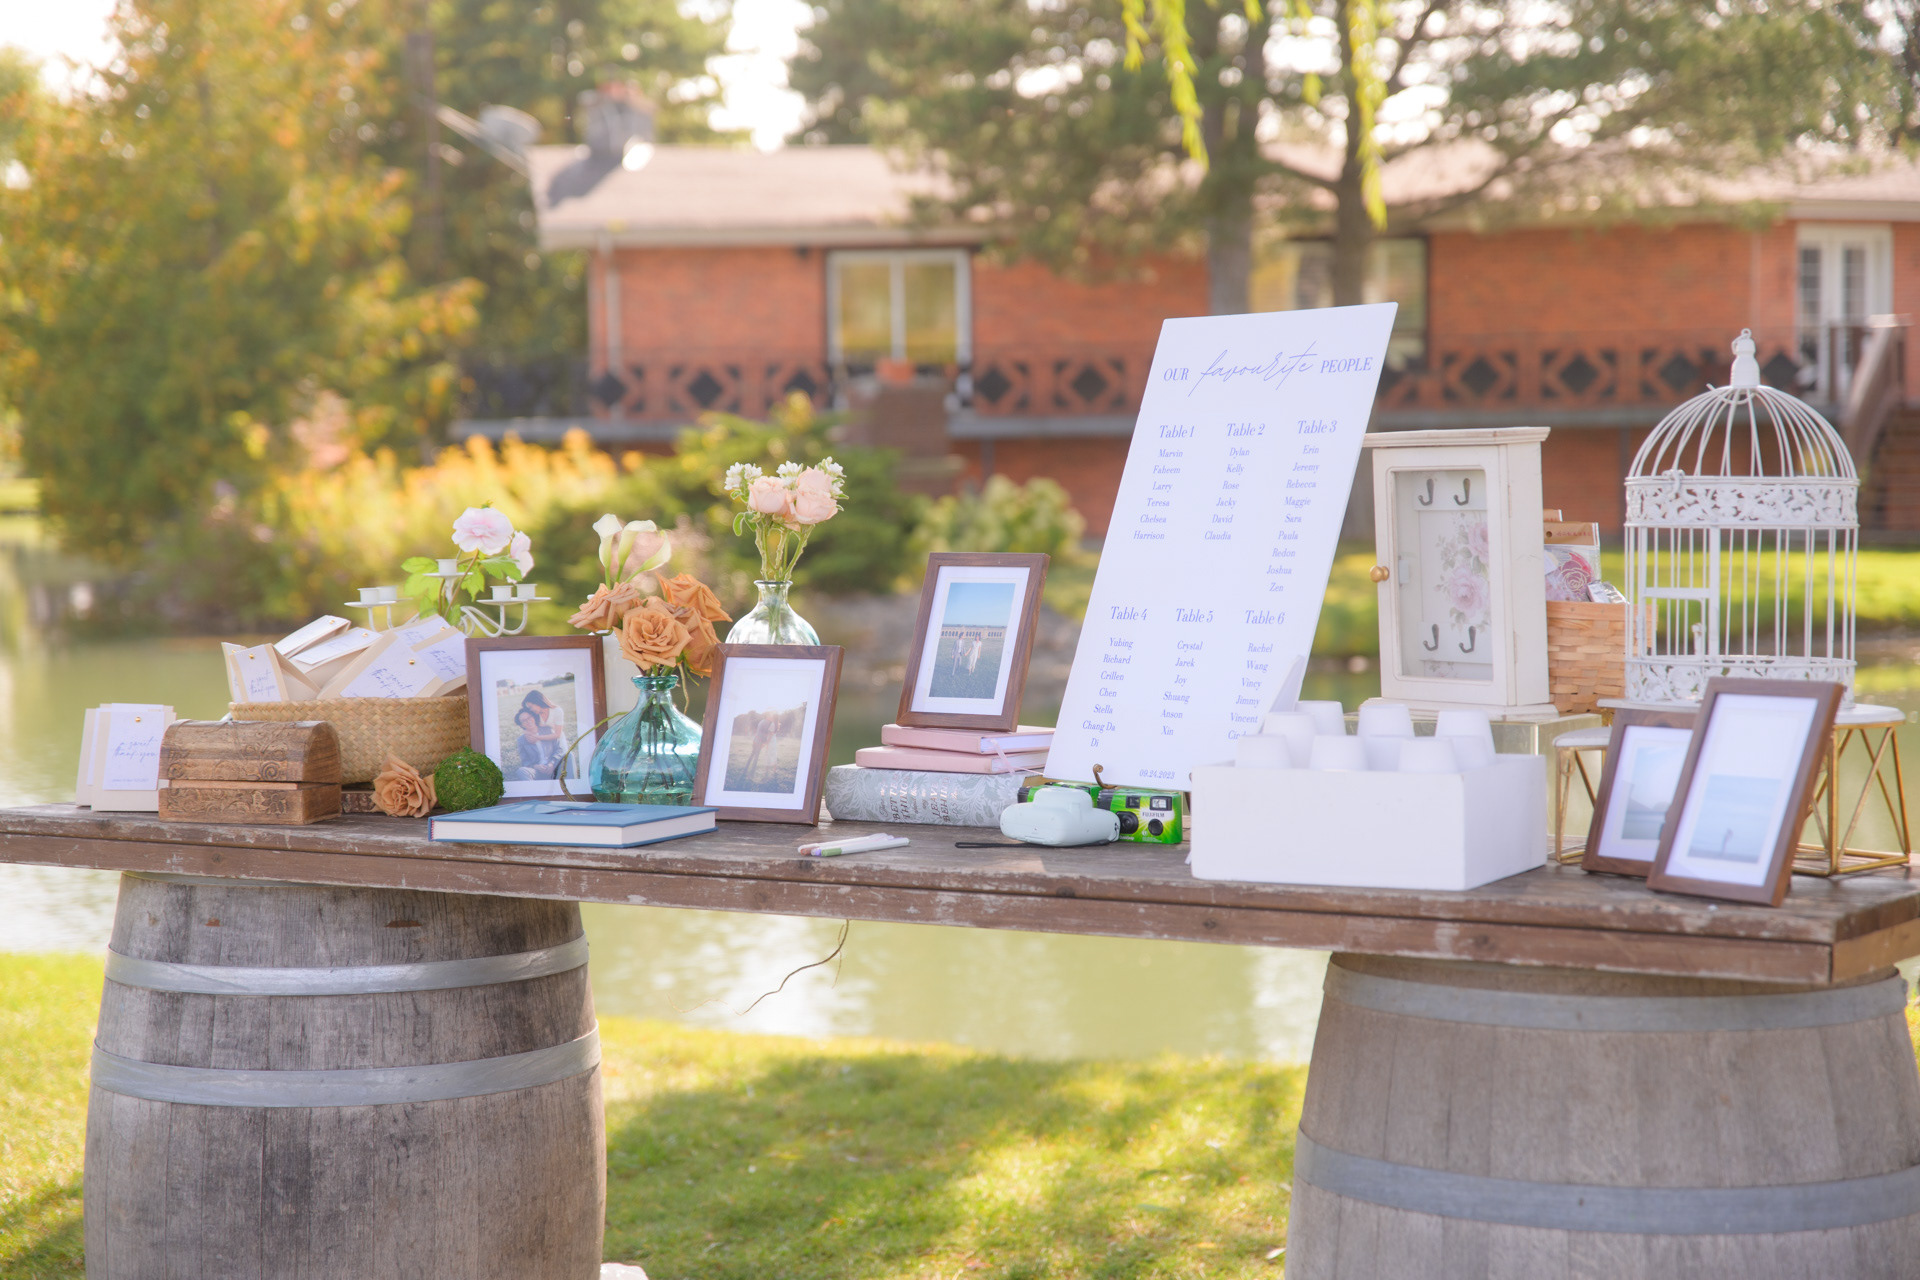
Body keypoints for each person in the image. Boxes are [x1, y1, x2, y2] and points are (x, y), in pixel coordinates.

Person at [511, 707, 562, 780]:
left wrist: (552, 763)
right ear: (521, 725)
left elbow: (559, 749)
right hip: (537, 771)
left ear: (533, 717)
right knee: (521, 771)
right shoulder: (521, 740)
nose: (528, 721)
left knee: (569, 756)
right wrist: (536, 766)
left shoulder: (548, 730)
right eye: (524, 720)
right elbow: (525, 761)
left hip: (554, 767)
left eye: (529, 717)